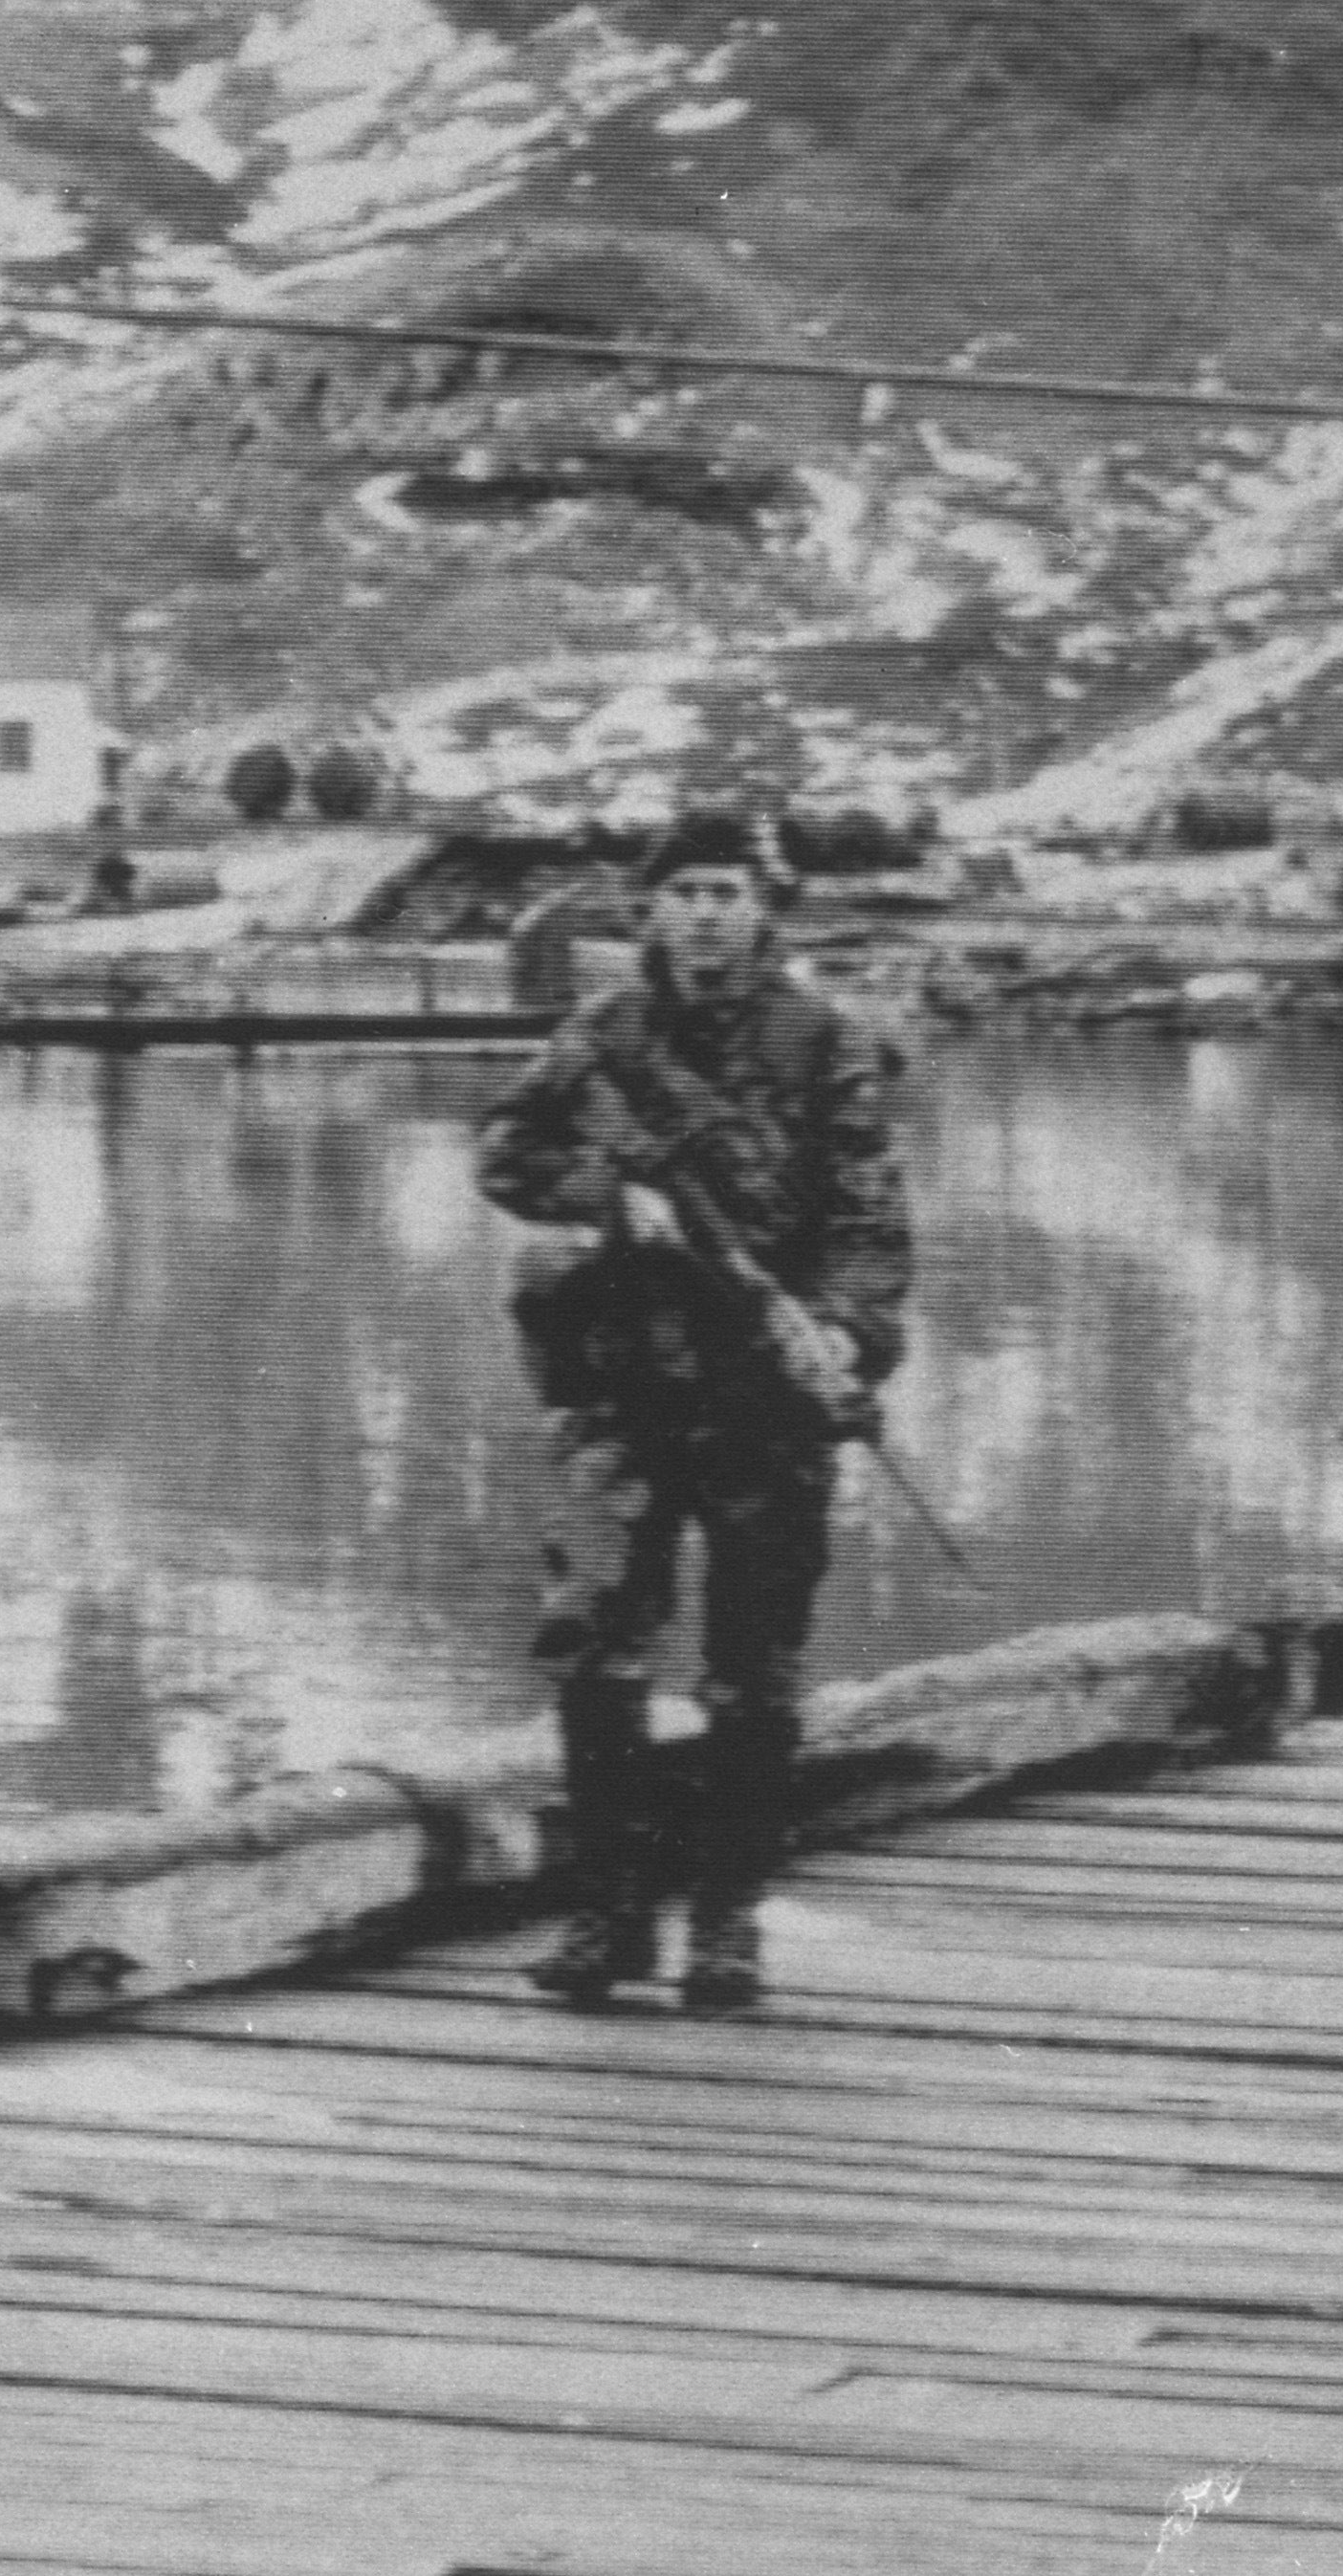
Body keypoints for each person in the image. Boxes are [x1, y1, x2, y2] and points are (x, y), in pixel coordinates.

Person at [474, 808, 913, 2014]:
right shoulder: (603, 1032)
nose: (707, 913)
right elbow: (505, 1152)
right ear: (650, 908)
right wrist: (610, 1196)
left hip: (764, 1397)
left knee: (752, 1673)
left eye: (727, 890)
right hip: (623, 1386)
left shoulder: (823, 1040)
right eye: (686, 892)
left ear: (760, 908)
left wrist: (837, 1329)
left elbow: (873, 1223)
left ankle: (724, 1929)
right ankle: (609, 1922)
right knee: (595, 1643)